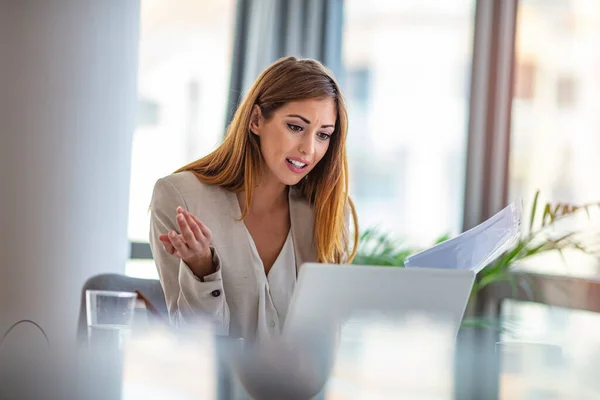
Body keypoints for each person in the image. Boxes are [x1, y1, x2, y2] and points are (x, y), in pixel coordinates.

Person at [149, 56, 359, 343]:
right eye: (296, 127)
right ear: (256, 120)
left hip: (301, 386)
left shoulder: (328, 210)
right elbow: (193, 340)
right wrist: (202, 269)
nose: (308, 149)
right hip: (216, 386)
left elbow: (329, 339)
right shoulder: (180, 197)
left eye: (323, 135)